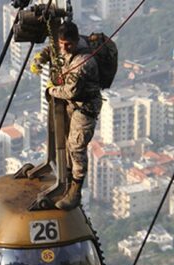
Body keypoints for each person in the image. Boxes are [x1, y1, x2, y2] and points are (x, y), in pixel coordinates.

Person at [31, 21, 102, 210]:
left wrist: (51, 91)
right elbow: (53, 50)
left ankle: (75, 192)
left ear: (76, 40)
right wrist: (40, 59)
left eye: (67, 44)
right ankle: (66, 178)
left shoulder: (83, 63)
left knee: (76, 147)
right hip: (72, 106)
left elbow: (70, 91)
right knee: (65, 141)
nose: (64, 48)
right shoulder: (65, 45)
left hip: (85, 108)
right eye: (61, 43)